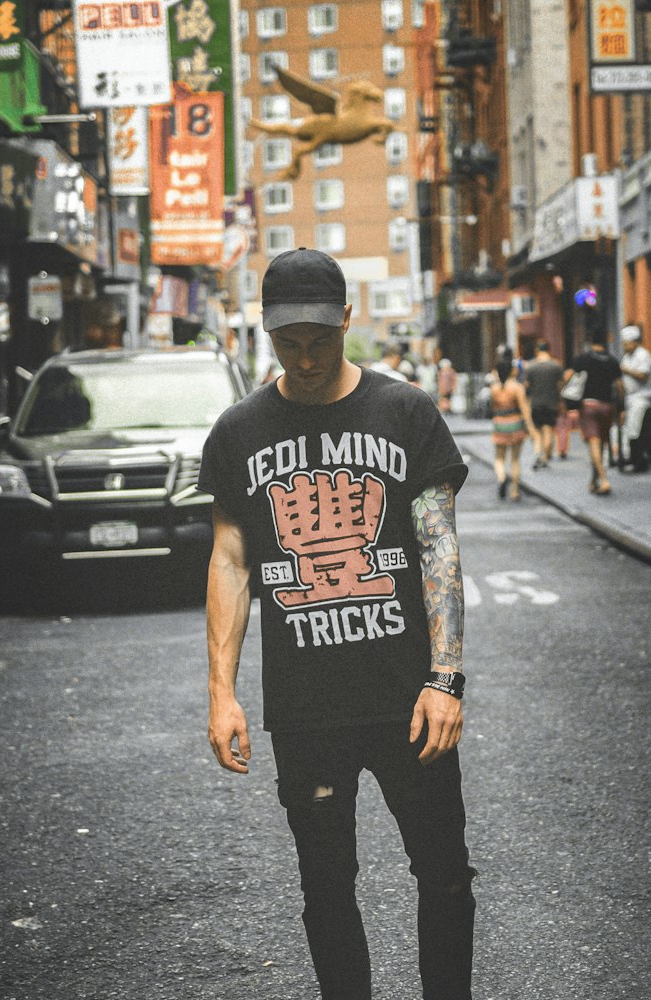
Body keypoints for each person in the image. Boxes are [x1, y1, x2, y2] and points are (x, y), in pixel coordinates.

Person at [200, 248, 476, 1000]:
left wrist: (445, 678)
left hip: (408, 700)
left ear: (348, 319)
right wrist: (222, 693)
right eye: (290, 340)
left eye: (321, 337)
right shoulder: (239, 432)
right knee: (326, 891)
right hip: (306, 710)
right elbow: (231, 562)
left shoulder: (405, 412)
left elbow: (437, 549)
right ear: (267, 331)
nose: (308, 354)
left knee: (444, 875)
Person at [563, 329, 624, 495]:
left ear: (591, 341)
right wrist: (621, 407)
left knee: (594, 444)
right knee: (601, 444)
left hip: (588, 406)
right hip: (607, 406)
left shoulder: (583, 359)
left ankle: (604, 480)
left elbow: (568, 376)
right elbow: (619, 386)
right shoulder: (612, 360)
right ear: (606, 341)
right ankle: (593, 480)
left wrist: (566, 391)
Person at [490, 358, 537, 500]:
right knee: (515, 460)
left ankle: (501, 477)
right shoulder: (517, 387)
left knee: (499, 458)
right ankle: (515, 491)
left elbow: (493, 408)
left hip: (499, 424)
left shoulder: (494, 388)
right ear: (511, 371)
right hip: (515, 423)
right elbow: (525, 410)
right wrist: (531, 429)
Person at [618, 324, 651, 472]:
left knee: (636, 431)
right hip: (630, 398)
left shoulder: (643, 355)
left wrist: (625, 370)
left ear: (634, 342)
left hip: (641, 398)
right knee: (631, 431)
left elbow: (643, 375)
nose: (625, 347)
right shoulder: (626, 357)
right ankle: (633, 459)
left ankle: (639, 462)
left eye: (626, 344)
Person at [524, 340, 564, 469]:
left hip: (536, 403)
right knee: (548, 431)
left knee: (539, 432)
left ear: (537, 350)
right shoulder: (556, 365)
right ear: (548, 349)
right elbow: (561, 385)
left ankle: (540, 455)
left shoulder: (530, 366)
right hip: (551, 403)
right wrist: (560, 400)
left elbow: (526, 386)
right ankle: (545, 457)